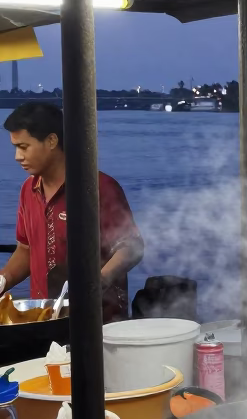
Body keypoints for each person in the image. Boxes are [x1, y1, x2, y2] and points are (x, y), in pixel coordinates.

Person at [1, 102, 144, 323]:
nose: (17, 156)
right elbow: (26, 249)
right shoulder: (28, 190)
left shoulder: (98, 188)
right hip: (44, 318)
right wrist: (4, 279)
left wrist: (98, 281)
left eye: (24, 147)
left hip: (100, 320)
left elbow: (131, 247)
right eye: (15, 148)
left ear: (51, 141)